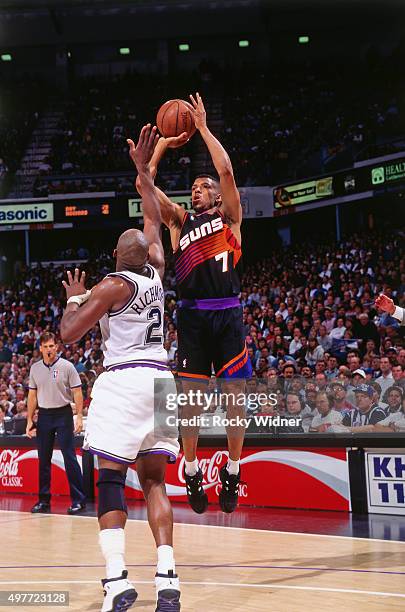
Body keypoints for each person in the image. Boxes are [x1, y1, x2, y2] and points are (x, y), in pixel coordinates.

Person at [60, 125, 181, 612]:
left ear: (116, 258)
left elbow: (69, 334)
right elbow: (152, 220)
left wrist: (74, 296)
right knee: (155, 482)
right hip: (162, 381)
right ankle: (168, 579)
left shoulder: (112, 285)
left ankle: (115, 583)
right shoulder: (156, 270)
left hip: (126, 380)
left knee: (108, 480)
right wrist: (142, 175)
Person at [134, 93, 252, 515]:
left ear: (218, 196)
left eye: (204, 187)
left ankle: (234, 471)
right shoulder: (179, 221)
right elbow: (144, 183)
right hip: (193, 316)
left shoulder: (231, 218)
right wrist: (165, 140)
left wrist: (201, 128)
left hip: (228, 312)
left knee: (236, 395)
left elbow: (226, 169)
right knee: (192, 401)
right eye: (194, 187)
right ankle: (192, 467)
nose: (197, 189)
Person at [26, 332, 86, 515]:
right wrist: (29, 419)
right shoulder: (35, 368)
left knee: (69, 457)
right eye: (46, 346)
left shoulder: (67, 366)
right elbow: (32, 395)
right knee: (43, 459)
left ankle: (78, 500)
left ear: (57, 347)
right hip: (44, 415)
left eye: (52, 346)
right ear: (40, 349)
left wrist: (79, 417)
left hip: (63, 414)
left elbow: (77, 393)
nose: (49, 349)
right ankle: (44, 500)